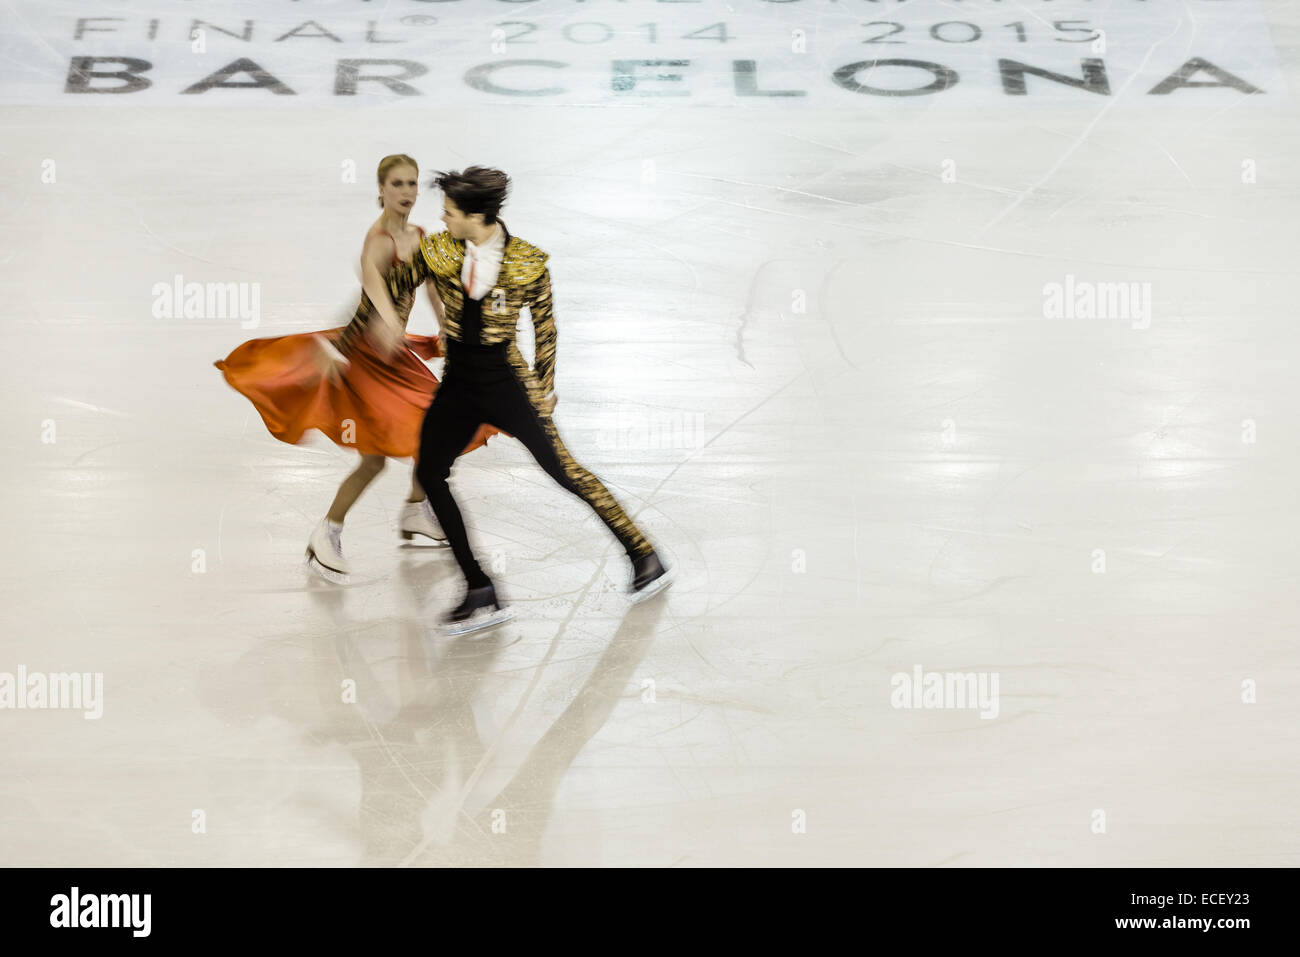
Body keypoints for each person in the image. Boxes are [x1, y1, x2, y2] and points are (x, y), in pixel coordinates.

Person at [402, 166, 670, 634]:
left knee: (564, 472)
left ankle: (642, 553)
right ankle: (479, 587)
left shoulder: (527, 262)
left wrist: (544, 388)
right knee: (429, 472)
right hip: (459, 384)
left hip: (508, 384)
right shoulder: (438, 250)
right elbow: (392, 289)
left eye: (449, 212)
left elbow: (545, 329)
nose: (442, 219)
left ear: (475, 216)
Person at [214, 154, 496, 582]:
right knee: (376, 460)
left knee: (435, 431)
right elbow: (371, 288)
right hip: (367, 360)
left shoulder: (420, 236)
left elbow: (433, 287)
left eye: (412, 183)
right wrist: (382, 326)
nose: (406, 192)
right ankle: (327, 532)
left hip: (395, 357)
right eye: (397, 184)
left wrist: (445, 327)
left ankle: (416, 509)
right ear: (381, 189)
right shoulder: (378, 241)